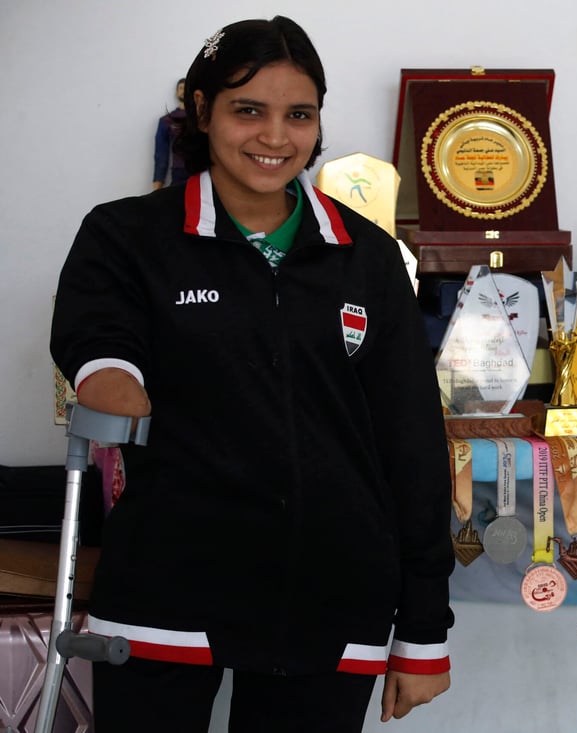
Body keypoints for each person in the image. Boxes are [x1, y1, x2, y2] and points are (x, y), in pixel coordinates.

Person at [50, 16, 454, 731]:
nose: (275, 137)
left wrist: (423, 626)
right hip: (169, 587)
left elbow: (412, 441)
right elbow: (98, 337)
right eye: (248, 110)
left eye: (298, 114)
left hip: (332, 591)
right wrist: (109, 377)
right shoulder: (126, 236)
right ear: (201, 111)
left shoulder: (365, 255)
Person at [152, 78, 187, 189]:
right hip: (179, 172)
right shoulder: (167, 120)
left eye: (186, 88)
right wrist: (157, 185)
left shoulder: (202, 119)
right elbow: (161, 154)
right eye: (181, 88)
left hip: (202, 173)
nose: (183, 91)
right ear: (176, 93)